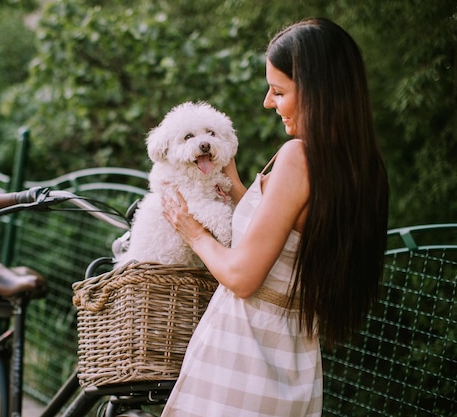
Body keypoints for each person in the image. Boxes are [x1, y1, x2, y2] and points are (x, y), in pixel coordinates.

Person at [160, 17, 389, 416]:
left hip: (244, 358)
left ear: (317, 91)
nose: (268, 101)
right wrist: (233, 184)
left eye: (279, 91)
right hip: (293, 361)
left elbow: (243, 277)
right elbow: (286, 240)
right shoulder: (362, 167)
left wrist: (192, 231)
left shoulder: (298, 157)